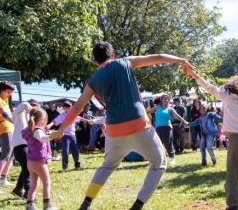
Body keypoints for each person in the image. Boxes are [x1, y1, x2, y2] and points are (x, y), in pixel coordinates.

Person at [50, 41, 191, 210]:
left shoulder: (93, 80)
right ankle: (137, 206)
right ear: (112, 55)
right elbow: (158, 57)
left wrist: (60, 129)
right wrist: (181, 60)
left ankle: (86, 203)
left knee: (107, 166)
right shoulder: (125, 62)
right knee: (159, 164)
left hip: (114, 130)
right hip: (139, 125)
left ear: (95, 61)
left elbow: (76, 107)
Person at [183, 67, 238, 210]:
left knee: (232, 175)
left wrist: (193, 74)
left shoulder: (226, 94)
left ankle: (232, 205)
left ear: (232, 85)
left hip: (236, 138)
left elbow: (208, 87)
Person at [22, 107, 57, 210]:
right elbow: (42, 139)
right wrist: (52, 136)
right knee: (47, 183)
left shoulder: (31, 129)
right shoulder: (37, 130)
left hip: (31, 162)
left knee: (34, 184)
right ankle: (47, 206)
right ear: (42, 119)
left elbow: (41, 137)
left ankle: (29, 205)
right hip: (39, 162)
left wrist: (51, 134)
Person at [47, 100, 91, 172]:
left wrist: (88, 121)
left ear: (71, 108)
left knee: (75, 151)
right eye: (66, 107)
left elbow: (80, 118)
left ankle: (77, 166)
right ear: (63, 108)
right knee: (65, 152)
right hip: (65, 135)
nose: (67, 109)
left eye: (69, 107)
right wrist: (49, 125)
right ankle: (65, 168)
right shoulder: (62, 116)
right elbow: (54, 121)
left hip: (73, 135)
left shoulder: (73, 115)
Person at [11, 99, 40, 199]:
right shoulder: (19, 114)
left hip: (27, 146)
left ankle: (18, 190)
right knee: (28, 167)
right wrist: (30, 107)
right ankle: (28, 192)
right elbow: (24, 104)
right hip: (20, 146)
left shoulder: (30, 119)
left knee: (25, 168)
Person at [149, 94, 188, 165]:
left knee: (168, 144)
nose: (166, 100)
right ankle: (158, 159)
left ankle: (172, 158)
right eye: (165, 98)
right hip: (158, 129)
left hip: (167, 128)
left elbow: (178, 117)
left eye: (167, 99)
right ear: (161, 100)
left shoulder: (170, 109)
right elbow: (148, 111)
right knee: (157, 144)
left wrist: (184, 121)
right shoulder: (157, 107)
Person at [190, 102, 223, 166]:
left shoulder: (210, 114)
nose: (202, 110)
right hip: (204, 135)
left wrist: (227, 119)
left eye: (204, 108)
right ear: (199, 110)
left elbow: (219, 118)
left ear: (207, 108)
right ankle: (204, 162)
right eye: (201, 109)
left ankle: (214, 161)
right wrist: (187, 123)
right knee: (202, 148)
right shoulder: (200, 118)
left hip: (210, 134)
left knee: (209, 147)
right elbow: (193, 123)